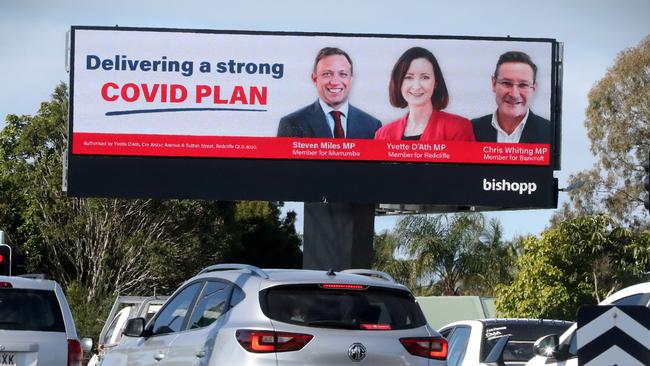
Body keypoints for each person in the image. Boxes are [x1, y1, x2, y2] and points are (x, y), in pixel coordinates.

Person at [277, 47, 381, 138]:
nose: (335, 82)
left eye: (343, 74)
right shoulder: (292, 124)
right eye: (327, 74)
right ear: (314, 79)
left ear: (351, 79)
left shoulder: (372, 126)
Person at [374, 47, 474, 141]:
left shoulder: (458, 128)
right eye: (409, 77)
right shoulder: (382, 134)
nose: (417, 86)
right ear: (399, 83)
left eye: (425, 77)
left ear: (436, 83)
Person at [471, 51, 550, 143]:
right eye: (506, 83)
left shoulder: (551, 132)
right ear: (493, 84)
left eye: (523, 85)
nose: (514, 94)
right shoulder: (470, 129)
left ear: (534, 88)